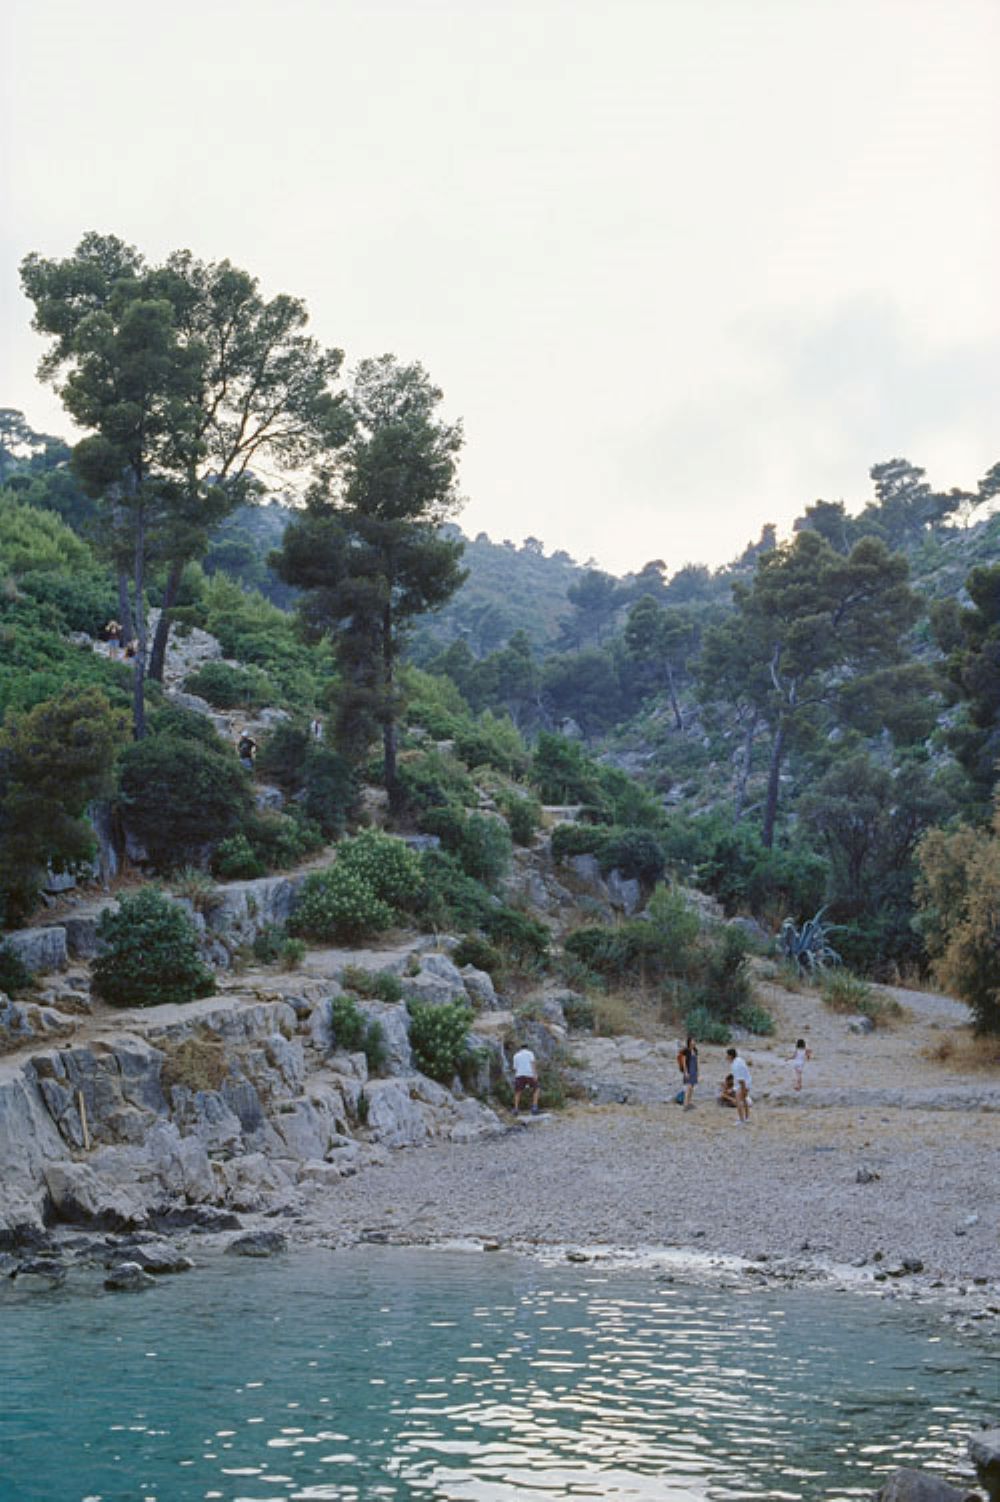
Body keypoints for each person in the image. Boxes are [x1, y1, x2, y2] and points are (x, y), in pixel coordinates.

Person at [511, 1043, 540, 1116]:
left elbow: (515, 1068)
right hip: (529, 1074)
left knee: (518, 1092)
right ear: (527, 1048)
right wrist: (535, 1074)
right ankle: (534, 1107)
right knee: (536, 1089)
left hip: (519, 1075)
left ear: (520, 1048)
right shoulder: (530, 1053)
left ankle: (516, 1109)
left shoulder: (516, 1055)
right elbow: (532, 1063)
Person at [726, 1046, 752, 1125]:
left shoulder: (735, 1065)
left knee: (739, 1101)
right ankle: (747, 1118)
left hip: (743, 1084)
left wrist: (743, 1090)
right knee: (744, 1100)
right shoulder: (740, 1060)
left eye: (727, 1055)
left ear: (730, 1056)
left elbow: (741, 1080)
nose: (726, 1057)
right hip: (748, 1082)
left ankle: (741, 1120)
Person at [676, 1034, 699, 1110]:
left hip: (693, 1070)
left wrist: (698, 1071)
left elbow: (696, 1061)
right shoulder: (686, 1051)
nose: (694, 1042)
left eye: (694, 1041)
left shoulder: (695, 1050)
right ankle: (685, 1104)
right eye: (693, 1041)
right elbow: (684, 1062)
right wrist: (686, 1072)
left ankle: (689, 1103)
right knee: (688, 1087)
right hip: (689, 1070)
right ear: (689, 1042)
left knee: (692, 1087)